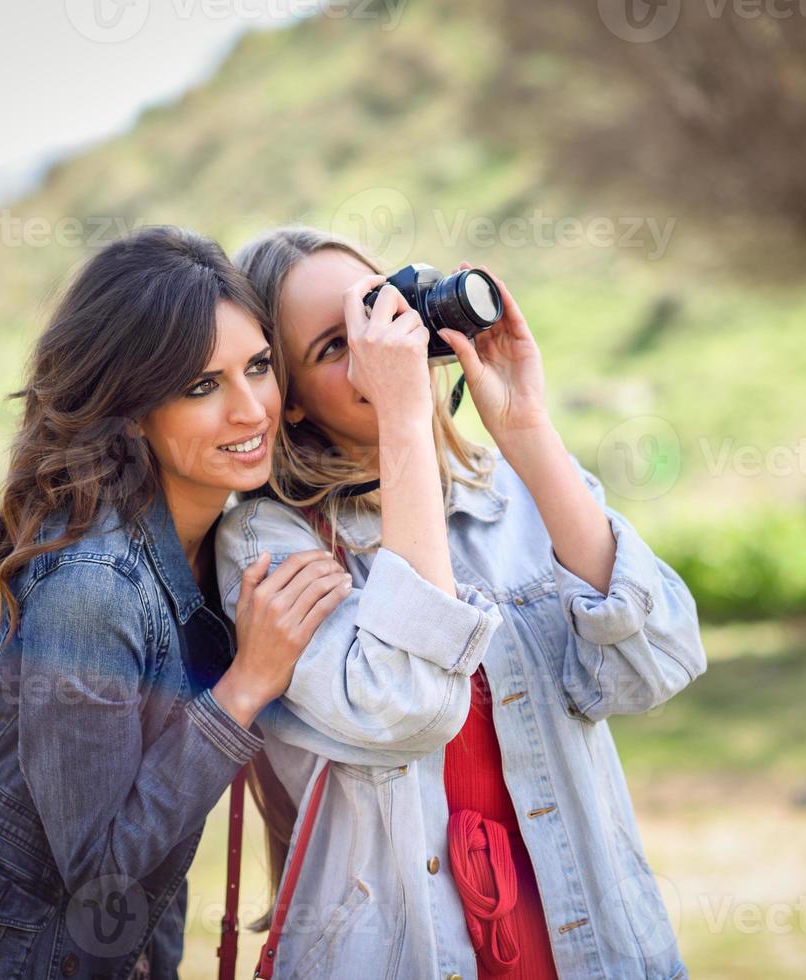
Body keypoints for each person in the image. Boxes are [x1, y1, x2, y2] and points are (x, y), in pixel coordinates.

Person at [0, 226, 352, 980]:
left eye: (258, 367)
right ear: (130, 409)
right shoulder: (93, 588)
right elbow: (104, 870)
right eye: (201, 386)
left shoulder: (209, 541)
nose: (251, 409)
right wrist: (245, 687)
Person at [215, 226, 707, 979]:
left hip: (588, 942)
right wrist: (403, 424)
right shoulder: (267, 542)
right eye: (335, 347)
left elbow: (657, 665)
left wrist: (526, 431)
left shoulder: (512, 490)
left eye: (377, 312)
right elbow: (406, 704)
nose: (382, 348)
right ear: (294, 403)